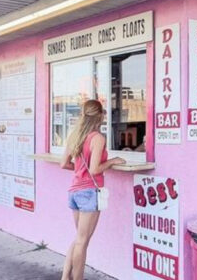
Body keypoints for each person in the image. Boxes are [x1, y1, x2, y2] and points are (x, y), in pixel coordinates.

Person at [59, 100, 125, 280]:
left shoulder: (75, 135)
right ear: (100, 115)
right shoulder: (97, 138)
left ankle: (66, 277)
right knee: (82, 241)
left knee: (79, 238)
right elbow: (95, 169)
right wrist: (113, 161)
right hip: (89, 192)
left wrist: (80, 170)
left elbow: (64, 164)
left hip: (74, 191)